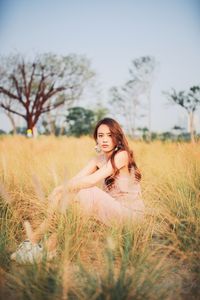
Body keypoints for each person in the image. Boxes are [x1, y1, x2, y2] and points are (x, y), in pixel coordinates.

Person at [11, 118, 145, 264]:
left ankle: (41, 247)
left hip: (131, 216)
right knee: (73, 198)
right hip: (113, 212)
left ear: (117, 137)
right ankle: (36, 244)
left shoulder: (122, 155)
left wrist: (61, 189)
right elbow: (75, 180)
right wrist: (60, 192)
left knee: (87, 191)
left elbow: (91, 181)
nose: (105, 139)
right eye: (100, 136)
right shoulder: (97, 160)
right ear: (96, 139)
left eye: (109, 135)